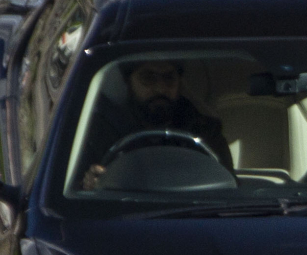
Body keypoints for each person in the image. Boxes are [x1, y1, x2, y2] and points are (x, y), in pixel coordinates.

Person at [78, 59, 226, 187]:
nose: (160, 88)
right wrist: (92, 182)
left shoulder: (205, 130)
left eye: (169, 78)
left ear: (179, 82)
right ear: (128, 81)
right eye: (148, 77)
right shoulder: (103, 131)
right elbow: (78, 195)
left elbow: (227, 187)